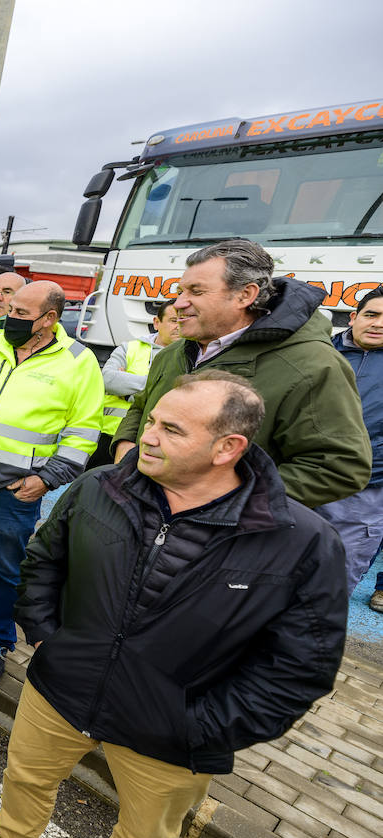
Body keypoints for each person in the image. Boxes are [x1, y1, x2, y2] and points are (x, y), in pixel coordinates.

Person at [0, 373, 348, 838]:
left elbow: (299, 669)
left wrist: (199, 725)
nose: (148, 438)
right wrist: (48, 638)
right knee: (24, 778)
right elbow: (43, 563)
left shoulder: (300, 543)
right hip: (59, 690)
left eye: (171, 429)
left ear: (227, 448)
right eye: (151, 422)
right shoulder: (100, 487)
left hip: (171, 734)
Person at [113, 239, 370, 508]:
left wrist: (224, 499)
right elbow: (141, 407)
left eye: (196, 292)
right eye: (180, 291)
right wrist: (125, 444)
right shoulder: (173, 354)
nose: (178, 303)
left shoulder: (312, 366)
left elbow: (339, 468)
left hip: (224, 537)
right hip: (143, 511)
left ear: (245, 295)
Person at [0, 280, 103, 687]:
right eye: (10, 309)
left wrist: (46, 479)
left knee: (4, 570)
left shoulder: (78, 362)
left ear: (49, 319)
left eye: (21, 313)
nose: (9, 317)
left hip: (13, 492)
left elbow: (82, 435)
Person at [317, 287, 383, 599]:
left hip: (365, 488)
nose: (379, 324)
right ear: (354, 317)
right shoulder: (318, 352)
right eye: (372, 314)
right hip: (302, 475)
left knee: (337, 572)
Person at [95, 300, 179, 464]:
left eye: (182, 321)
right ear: (156, 323)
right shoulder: (130, 348)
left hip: (154, 439)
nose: (179, 327)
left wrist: (126, 393)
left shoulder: (189, 356)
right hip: (108, 435)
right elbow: (108, 380)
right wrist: (159, 386)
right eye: (173, 321)